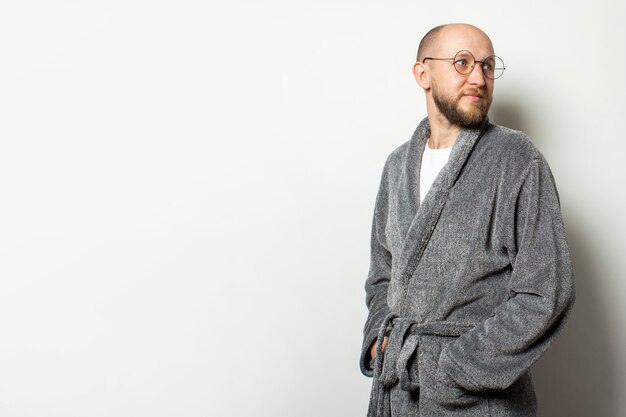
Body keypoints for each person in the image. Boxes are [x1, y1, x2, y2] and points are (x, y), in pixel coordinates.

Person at [360, 23, 575, 417]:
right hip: (396, 392)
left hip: (475, 401)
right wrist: (378, 338)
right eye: (462, 63)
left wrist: (457, 369)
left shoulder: (516, 160)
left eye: (488, 66)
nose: (479, 77)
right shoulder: (396, 166)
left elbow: (545, 291)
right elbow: (382, 273)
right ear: (423, 74)